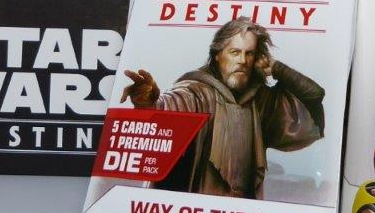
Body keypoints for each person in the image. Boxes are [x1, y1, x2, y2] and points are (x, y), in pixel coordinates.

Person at [120, 17, 325, 199]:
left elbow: (314, 96)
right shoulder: (196, 91)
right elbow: (169, 107)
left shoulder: (259, 101)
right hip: (193, 211)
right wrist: (148, 102)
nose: (242, 61)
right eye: (235, 52)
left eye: (249, 54)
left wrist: (278, 68)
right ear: (217, 54)